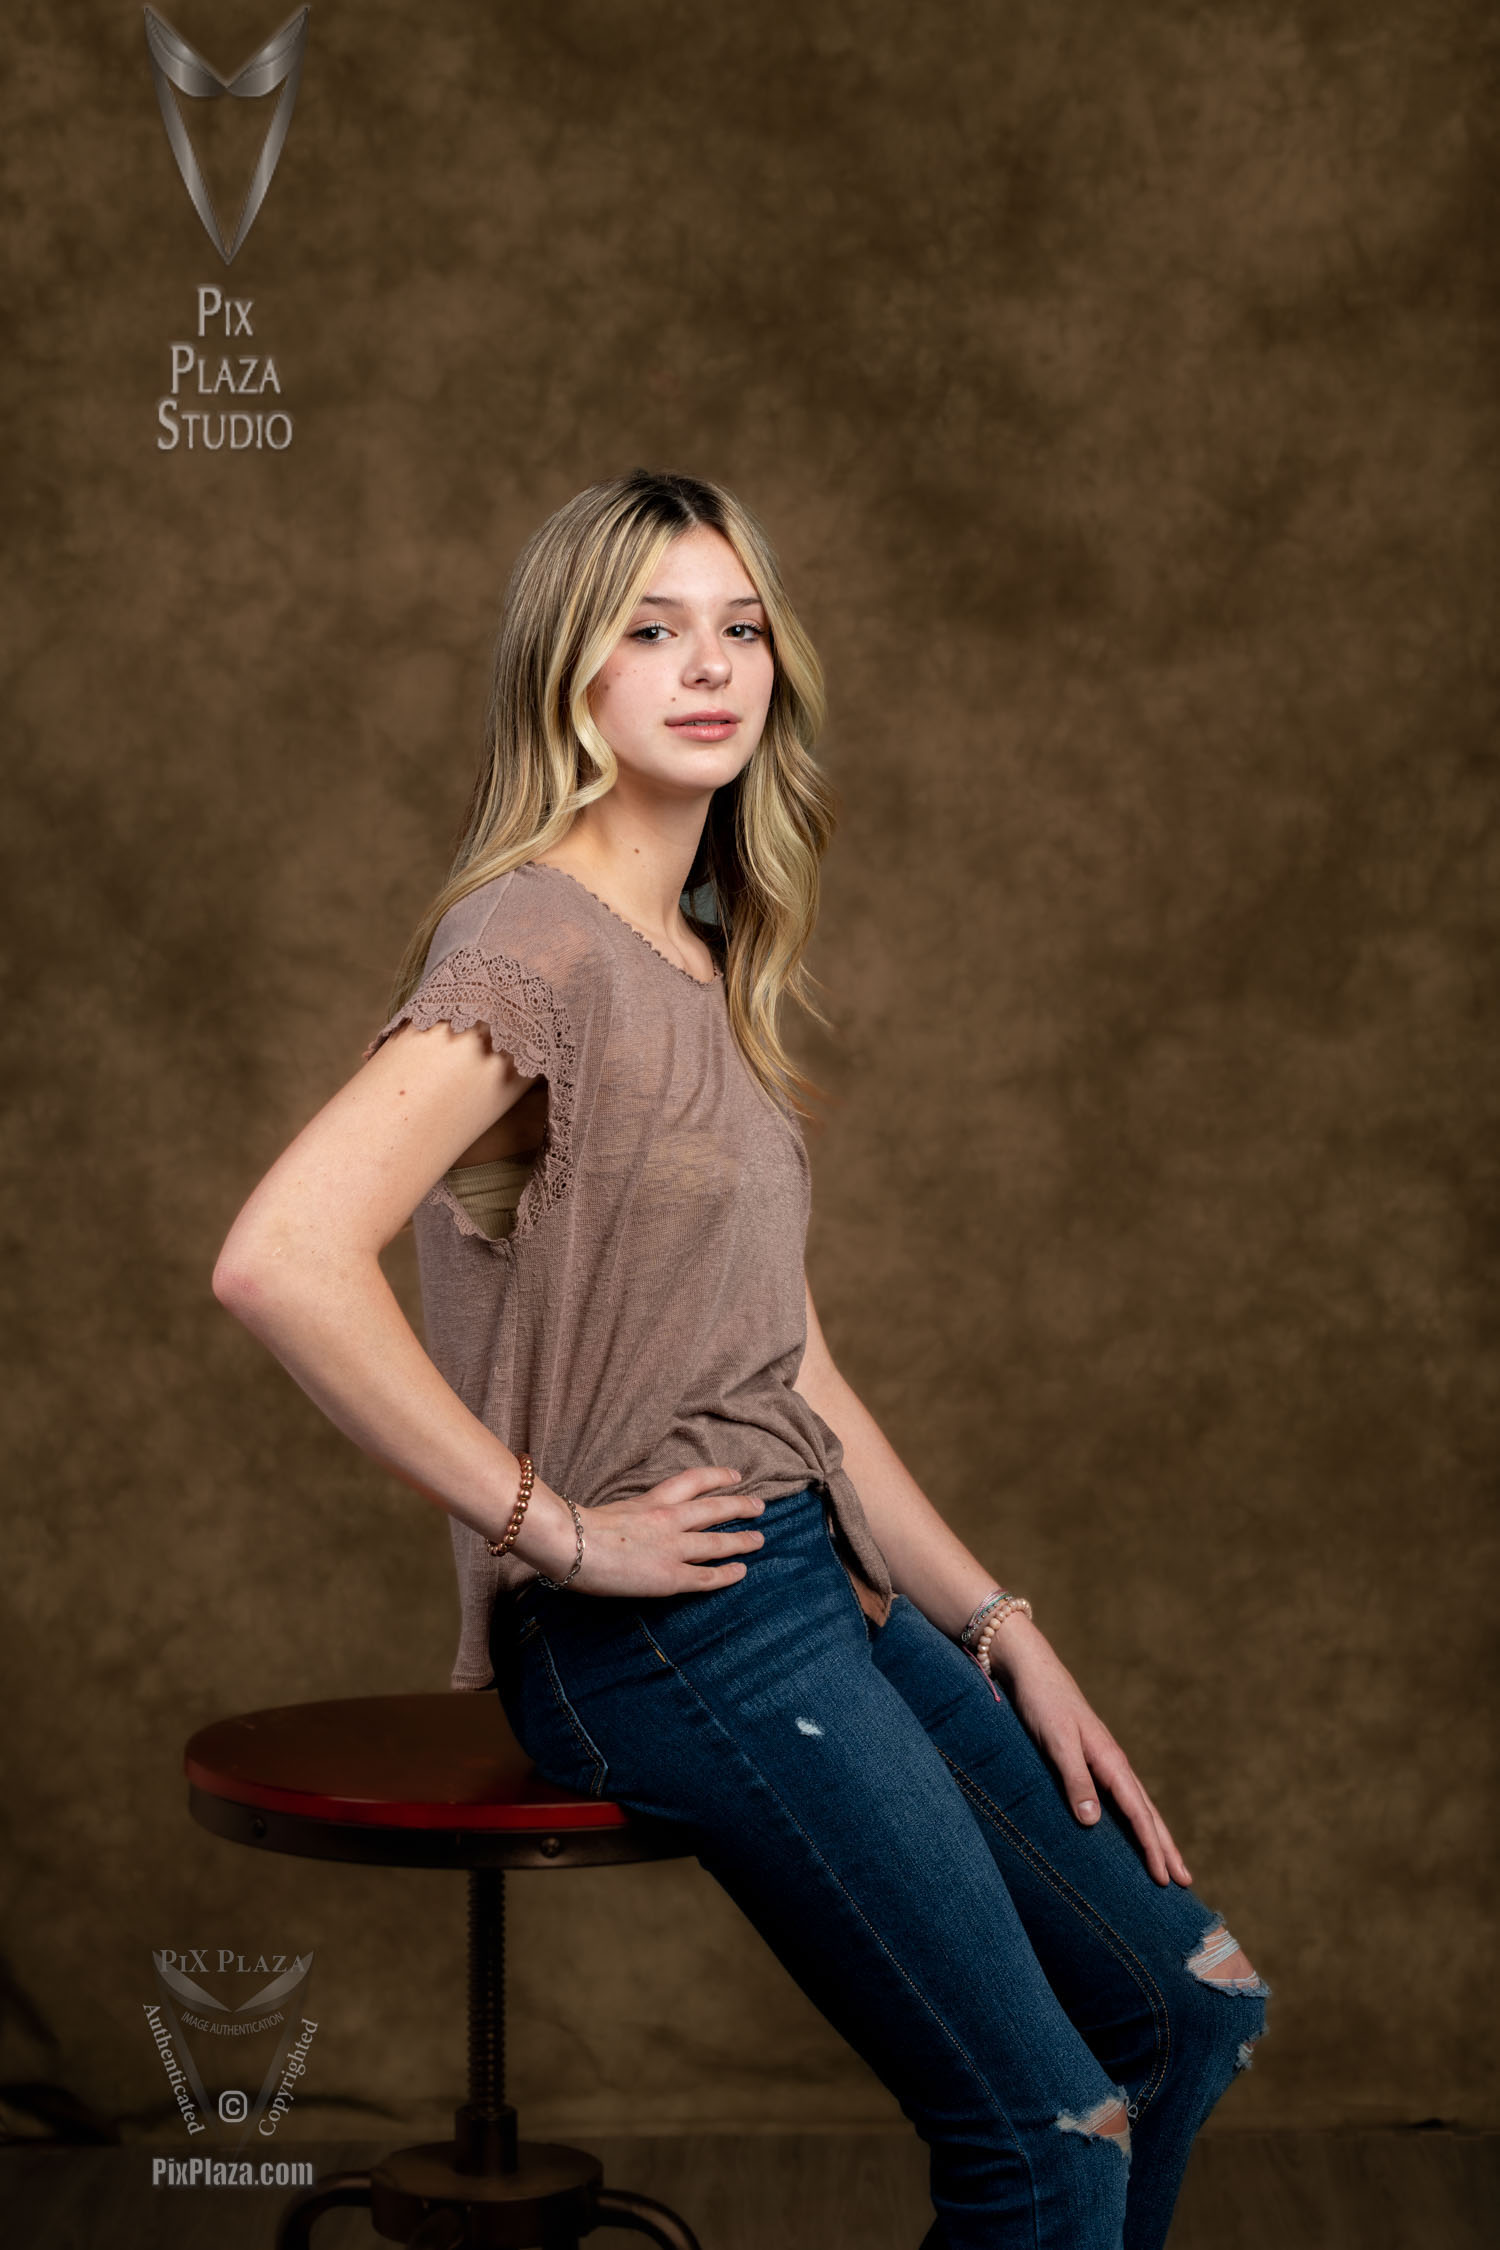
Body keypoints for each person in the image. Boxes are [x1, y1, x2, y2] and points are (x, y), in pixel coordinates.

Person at [213, 467, 1271, 2248]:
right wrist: (554, 1527)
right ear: (574, 677)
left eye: (740, 624)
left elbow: (800, 1373)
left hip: (817, 1583)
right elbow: (280, 1256)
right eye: (649, 628)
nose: (708, 666)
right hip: (665, 1630)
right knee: (1051, 2137)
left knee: (1191, 2011)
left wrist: (1003, 1627)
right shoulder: (535, 938)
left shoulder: (699, 952)